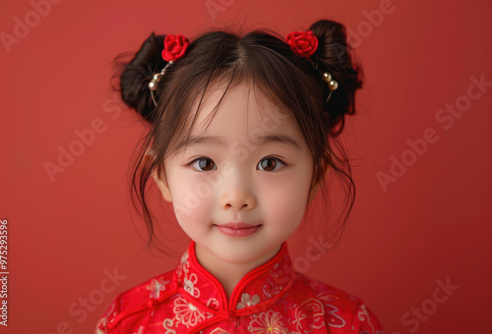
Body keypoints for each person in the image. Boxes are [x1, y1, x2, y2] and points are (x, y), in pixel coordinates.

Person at [95, 18, 384, 333]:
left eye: (270, 163)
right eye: (204, 163)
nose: (236, 196)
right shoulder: (127, 321)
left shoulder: (345, 324)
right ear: (161, 174)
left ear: (315, 176)